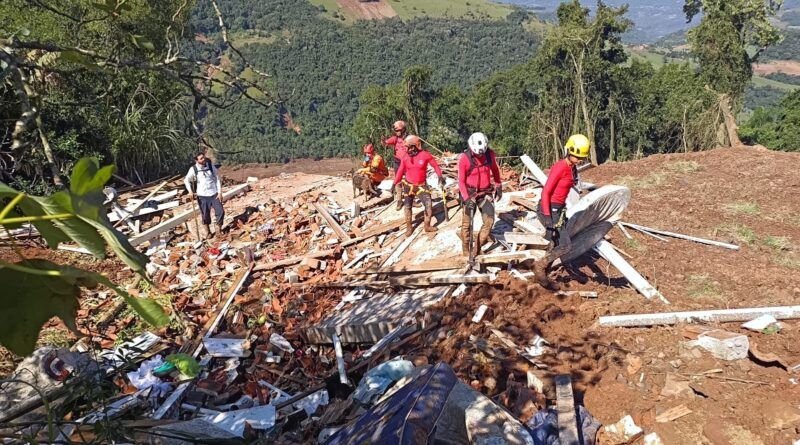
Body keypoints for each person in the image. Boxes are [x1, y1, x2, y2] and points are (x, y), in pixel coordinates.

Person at [533, 134, 591, 286]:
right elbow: (545, 192)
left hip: (559, 210)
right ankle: (539, 266)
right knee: (565, 245)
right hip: (548, 209)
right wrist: (548, 219)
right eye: (578, 157)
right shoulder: (560, 167)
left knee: (554, 244)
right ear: (569, 151)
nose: (580, 160)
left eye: (582, 158)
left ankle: (543, 276)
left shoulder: (572, 168)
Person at [457, 132, 502, 257]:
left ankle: (477, 248)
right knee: (467, 224)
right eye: (477, 153)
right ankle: (466, 250)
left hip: (485, 192)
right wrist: (466, 199)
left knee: (489, 221)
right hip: (469, 193)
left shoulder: (489, 155)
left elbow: (495, 170)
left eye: (482, 152)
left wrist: (498, 185)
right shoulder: (464, 159)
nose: (480, 155)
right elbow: (460, 181)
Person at [393, 135, 445, 236]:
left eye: (407, 147)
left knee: (428, 206)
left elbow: (435, 165)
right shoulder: (405, 158)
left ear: (413, 146)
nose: (405, 150)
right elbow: (400, 171)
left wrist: (440, 176)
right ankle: (409, 227)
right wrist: (394, 183)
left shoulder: (425, 155)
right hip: (408, 185)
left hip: (421, 185)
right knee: (407, 206)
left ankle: (427, 226)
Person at [184, 151, 224, 239]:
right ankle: (208, 232)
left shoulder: (210, 166)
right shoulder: (193, 169)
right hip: (202, 196)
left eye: (204, 157)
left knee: (220, 211)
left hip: (214, 194)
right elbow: (186, 180)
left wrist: (220, 192)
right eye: (201, 158)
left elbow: (217, 178)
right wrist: (190, 191)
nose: (203, 159)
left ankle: (218, 231)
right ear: (196, 160)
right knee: (205, 215)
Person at [383, 120, 409, 209]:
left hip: (407, 162)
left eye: (398, 130)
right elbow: (385, 143)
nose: (397, 132)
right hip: (398, 162)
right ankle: (399, 200)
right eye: (396, 131)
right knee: (398, 181)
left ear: (403, 129)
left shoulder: (409, 138)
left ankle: (410, 199)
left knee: (409, 181)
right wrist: (383, 140)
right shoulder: (395, 138)